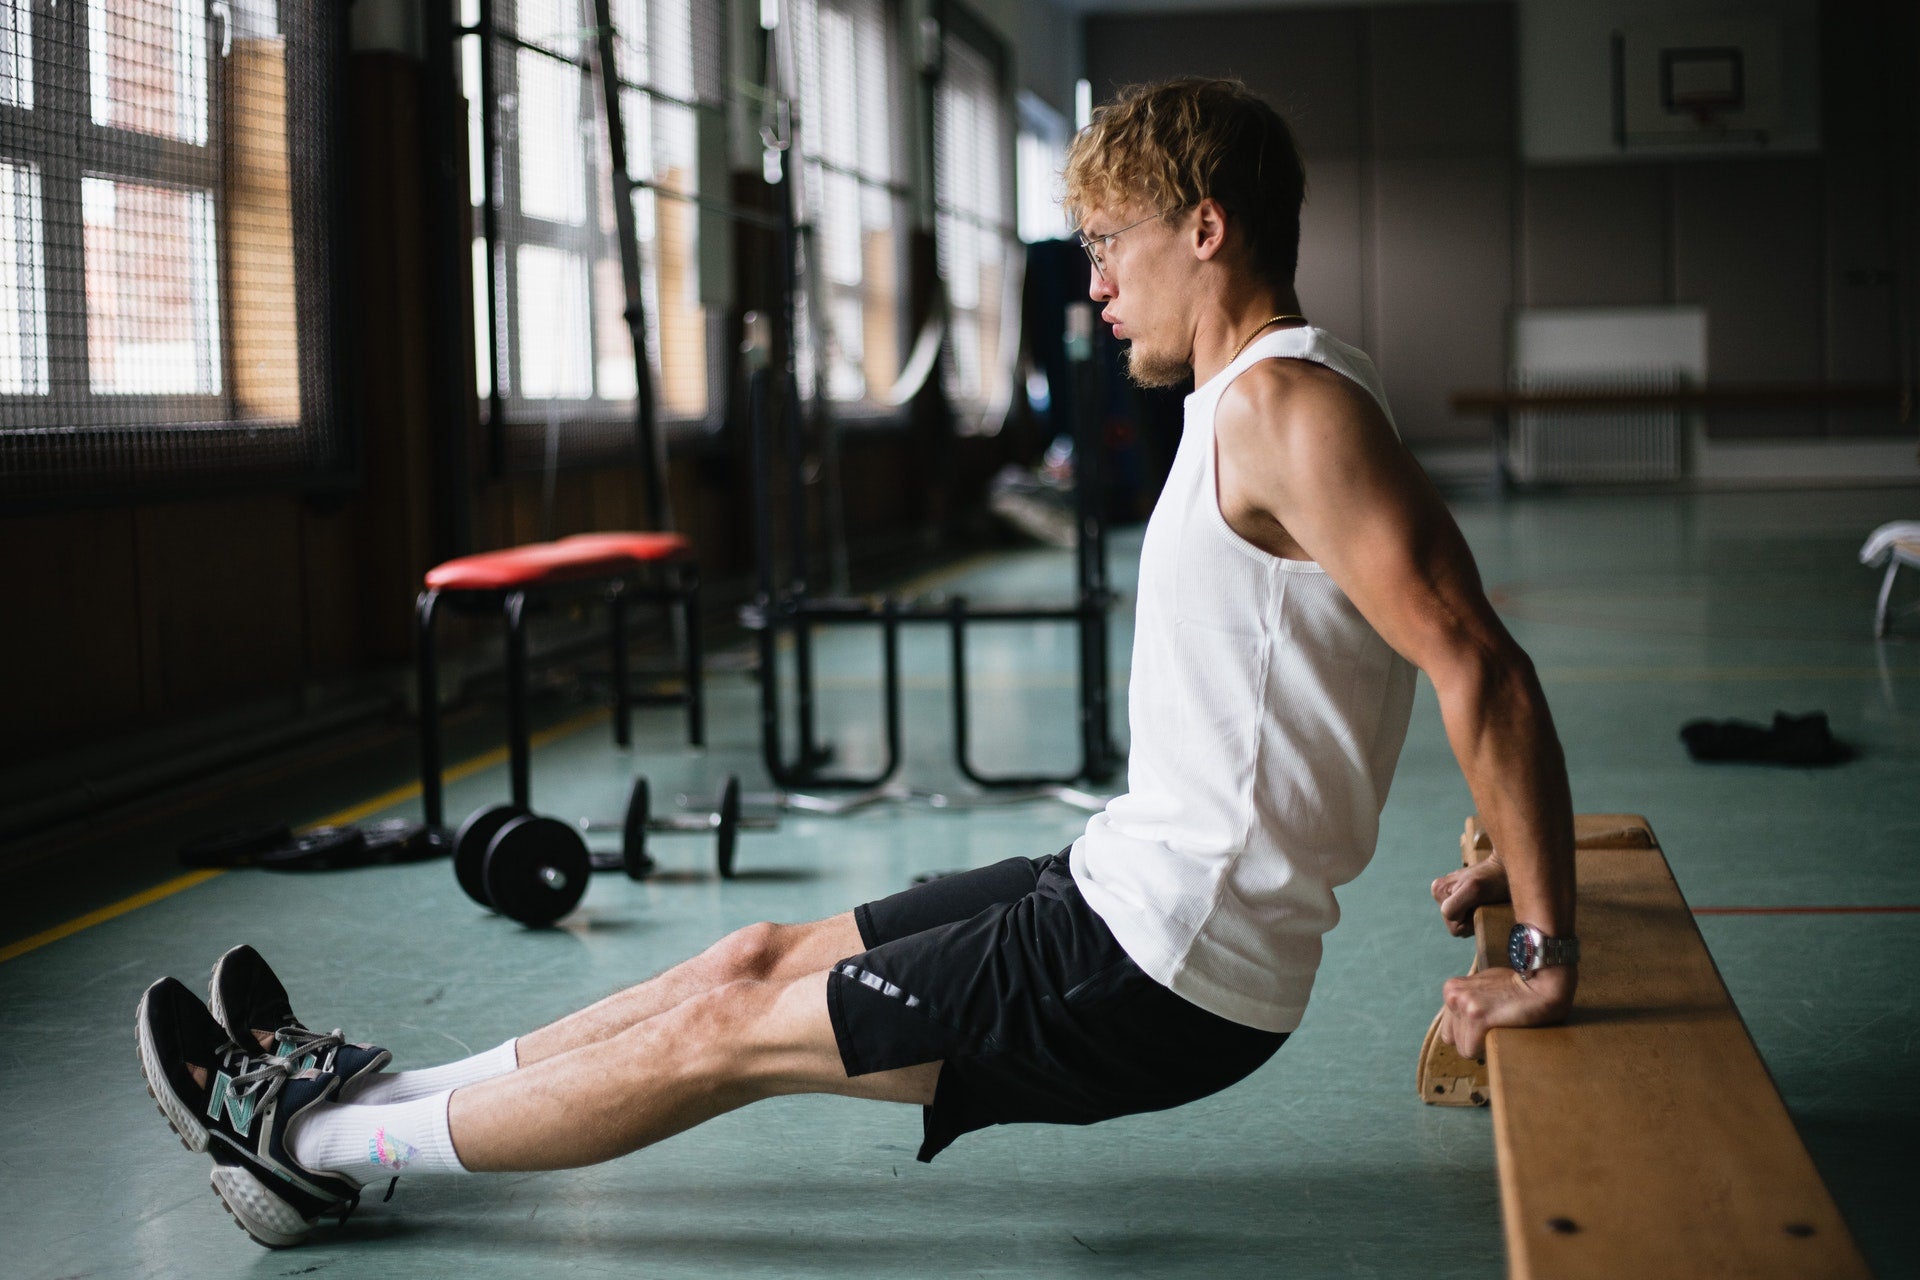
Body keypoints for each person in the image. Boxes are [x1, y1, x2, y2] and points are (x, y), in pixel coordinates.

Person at [135, 77, 1577, 1250]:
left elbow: (1480, 664)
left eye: (1110, 244)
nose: (1094, 285)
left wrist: (1541, 950)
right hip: (1117, 884)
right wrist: (1514, 852)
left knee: (719, 1034)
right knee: (741, 960)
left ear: (1206, 228)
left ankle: (312, 1143)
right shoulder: (1294, 393)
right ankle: (372, 1092)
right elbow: (1410, 652)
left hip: (1160, 967)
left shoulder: (1285, 409)